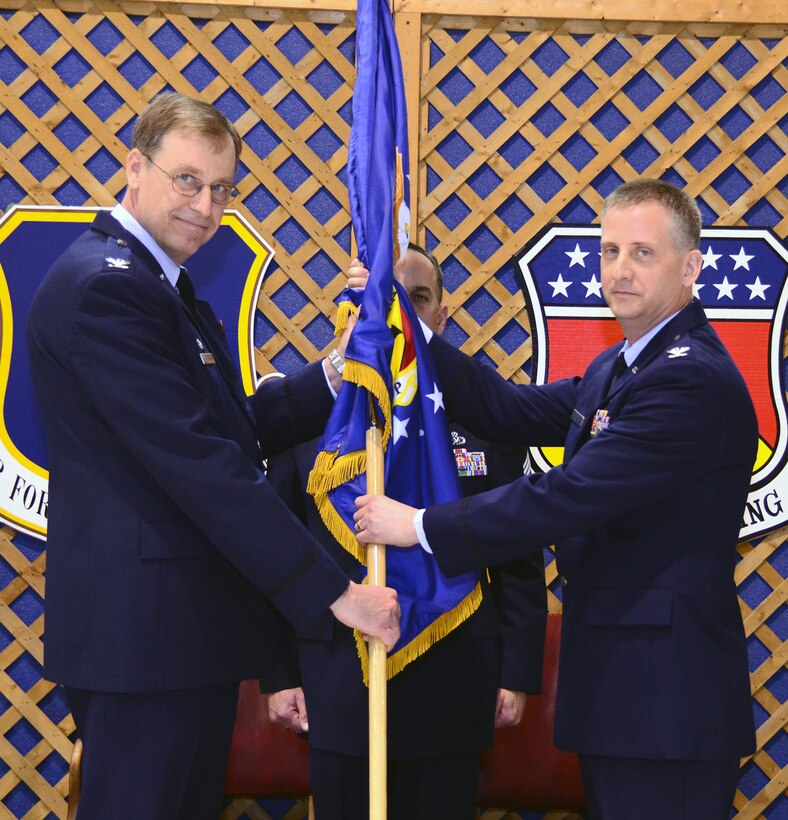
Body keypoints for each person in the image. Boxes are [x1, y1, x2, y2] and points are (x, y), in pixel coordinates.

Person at [26, 92, 399, 820]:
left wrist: (333, 373)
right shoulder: (110, 289)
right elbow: (202, 465)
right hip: (143, 640)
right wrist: (335, 594)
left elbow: (231, 429)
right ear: (136, 167)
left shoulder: (158, 285)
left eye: (222, 188)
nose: (205, 203)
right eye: (187, 180)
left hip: (174, 635)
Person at [355, 180, 757, 819]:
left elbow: (569, 495)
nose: (619, 270)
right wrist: (405, 325)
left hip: (665, 706)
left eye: (642, 253)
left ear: (690, 267)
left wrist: (421, 526)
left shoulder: (688, 379)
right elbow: (506, 408)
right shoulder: (619, 368)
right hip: (628, 697)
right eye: (608, 251)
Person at [265, 243, 547, 820]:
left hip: (453, 675)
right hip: (337, 681)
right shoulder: (311, 420)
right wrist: (278, 676)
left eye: (417, 298)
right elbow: (274, 557)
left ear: (441, 315)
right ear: (355, 312)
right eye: (384, 299)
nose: (401, 312)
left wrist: (515, 673)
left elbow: (516, 558)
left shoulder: (479, 414)